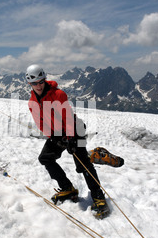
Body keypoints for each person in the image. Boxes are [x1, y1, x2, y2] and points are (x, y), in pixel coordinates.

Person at [26, 64, 109, 218]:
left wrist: (70, 138)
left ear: (44, 79)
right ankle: (68, 188)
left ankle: (98, 197)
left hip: (76, 130)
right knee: (45, 158)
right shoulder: (32, 102)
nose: (38, 85)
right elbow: (41, 123)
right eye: (34, 83)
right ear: (29, 84)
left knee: (82, 163)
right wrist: (53, 136)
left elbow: (68, 118)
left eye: (40, 81)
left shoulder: (58, 94)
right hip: (57, 134)